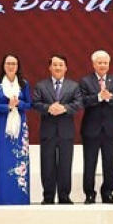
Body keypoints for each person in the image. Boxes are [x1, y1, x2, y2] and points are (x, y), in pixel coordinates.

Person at [32, 54, 82, 204]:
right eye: (55, 65)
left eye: (61, 65)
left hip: (66, 131)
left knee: (65, 164)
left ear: (66, 68)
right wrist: (49, 108)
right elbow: (35, 103)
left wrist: (64, 108)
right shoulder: (41, 85)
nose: (58, 67)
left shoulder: (73, 86)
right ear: (50, 67)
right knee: (47, 164)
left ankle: (64, 196)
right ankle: (48, 196)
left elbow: (78, 103)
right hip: (48, 131)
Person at [78, 50, 113, 204]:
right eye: (100, 62)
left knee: (109, 162)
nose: (103, 65)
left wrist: (110, 97)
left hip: (110, 128)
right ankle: (89, 194)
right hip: (91, 129)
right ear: (93, 64)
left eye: (105, 63)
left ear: (109, 64)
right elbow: (81, 101)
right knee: (90, 163)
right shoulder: (85, 81)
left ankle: (108, 193)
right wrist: (98, 97)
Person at [0, 54, 32, 205]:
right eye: (8, 63)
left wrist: (19, 104)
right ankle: (3, 198)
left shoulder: (24, 84)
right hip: (3, 126)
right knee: (4, 162)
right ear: (3, 65)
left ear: (18, 66)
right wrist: (8, 106)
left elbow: (29, 105)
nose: (11, 66)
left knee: (20, 160)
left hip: (20, 127)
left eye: (14, 63)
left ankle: (20, 198)